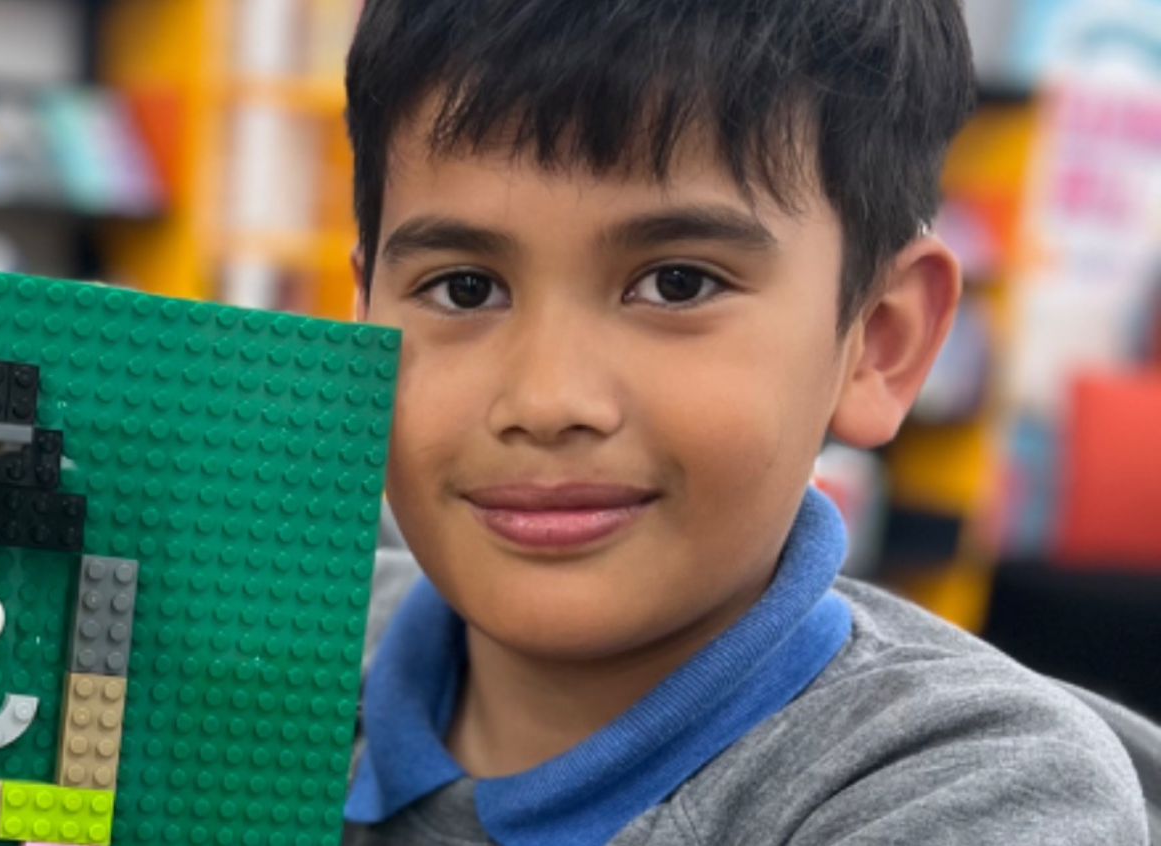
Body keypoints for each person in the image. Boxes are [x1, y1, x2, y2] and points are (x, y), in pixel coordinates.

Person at [340, 1, 1155, 844]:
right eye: (464, 288)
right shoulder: (272, 656)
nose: (548, 402)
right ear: (364, 321)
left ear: (880, 342)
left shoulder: (964, 788)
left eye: (678, 284)